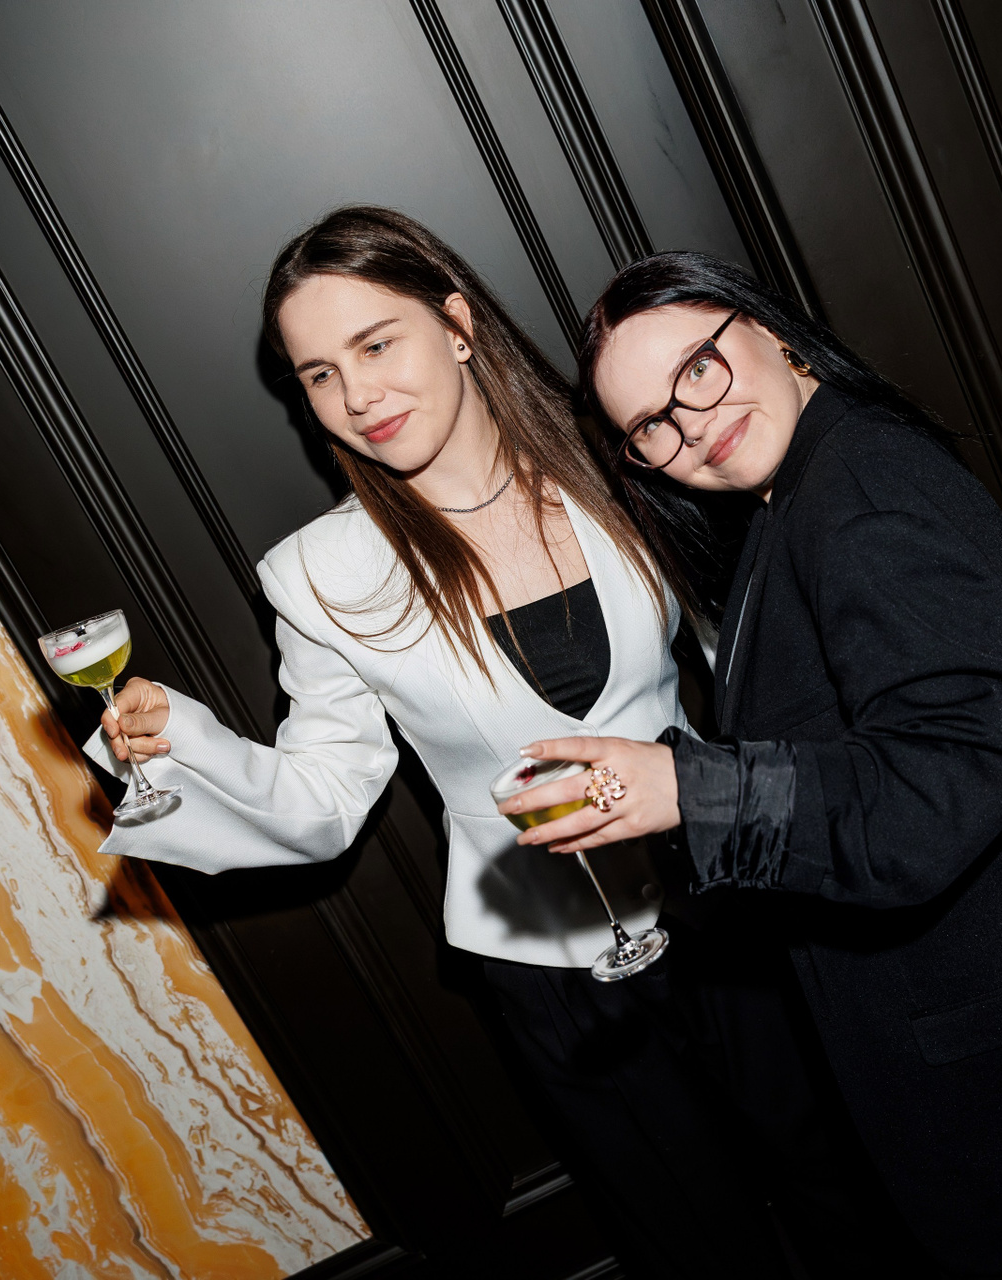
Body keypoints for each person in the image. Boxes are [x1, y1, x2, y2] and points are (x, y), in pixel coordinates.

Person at [90, 209, 891, 1278]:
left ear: (457, 323)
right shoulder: (319, 575)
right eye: (320, 374)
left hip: (729, 901)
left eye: (377, 344)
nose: (357, 395)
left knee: (848, 1187)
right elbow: (323, 801)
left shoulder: (621, 464)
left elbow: (748, 644)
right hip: (552, 966)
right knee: (697, 1246)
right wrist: (177, 743)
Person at [505, 251, 1002, 1277]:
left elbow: (943, 778)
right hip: (995, 1081)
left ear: (770, 331)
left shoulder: (864, 486)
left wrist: (691, 792)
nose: (691, 423)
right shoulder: (792, 502)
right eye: (651, 425)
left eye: (698, 368)